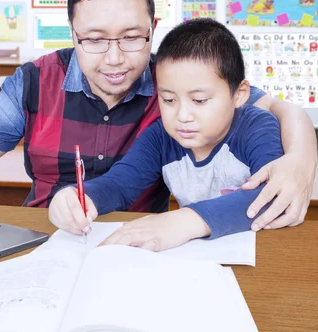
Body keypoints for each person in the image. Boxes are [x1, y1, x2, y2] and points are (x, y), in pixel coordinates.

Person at [0, 0, 317, 232]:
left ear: (152, 31)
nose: (115, 58)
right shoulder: (35, 79)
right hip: (48, 233)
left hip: (139, 239)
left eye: (131, 37)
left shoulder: (176, 79)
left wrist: (299, 160)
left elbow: (276, 108)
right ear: (73, 34)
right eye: (95, 39)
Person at [49, 18, 283, 250]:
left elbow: (272, 194)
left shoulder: (257, 127)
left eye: (199, 100)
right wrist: (78, 198)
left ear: (239, 94)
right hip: (198, 260)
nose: (182, 115)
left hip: (263, 253)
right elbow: (120, 183)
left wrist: (185, 220)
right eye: (169, 99)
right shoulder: (161, 138)